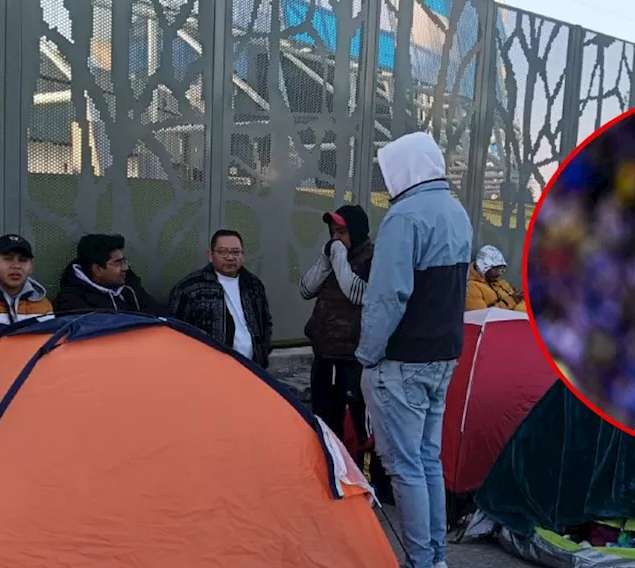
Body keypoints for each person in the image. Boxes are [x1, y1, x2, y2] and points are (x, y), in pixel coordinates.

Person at [355, 131, 472, 568]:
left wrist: (366, 354)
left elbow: (388, 296)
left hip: (401, 361)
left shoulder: (404, 218)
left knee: (404, 467)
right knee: (427, 462)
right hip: (443, 356)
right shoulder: (457, 211)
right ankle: (437, 566)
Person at [298, 205, 391, 502]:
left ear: (357, 231)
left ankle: (366, 484)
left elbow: (358, 293)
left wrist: (337, 257)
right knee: (325, 418)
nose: (336, 239)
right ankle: (329, 475)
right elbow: (305, 288)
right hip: (325, 354)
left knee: (360, 425)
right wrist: (328, 259)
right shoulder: (333, 256)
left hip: (356, 358)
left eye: (342, 232)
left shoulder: (375, 258)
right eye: (332, 233)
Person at [168, 229, 273, 368]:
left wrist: (263, 350)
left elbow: (265, 323)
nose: (230, 257)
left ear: (243, 255)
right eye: (223, 252)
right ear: (210, 255)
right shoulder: (190, 288)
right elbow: (176, 331)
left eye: (236, 252)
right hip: (210, 368)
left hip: (252, 367)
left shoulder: (253, 284)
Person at [54, 233, 166, 315]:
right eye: (118, 263)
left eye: (124, 261)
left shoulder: (130, 285)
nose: (125, 268)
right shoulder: (70, 301)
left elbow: (159, 314)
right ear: (97, 269)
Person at [465, 244, 525, 311]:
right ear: (483, 267)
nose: (500, 272)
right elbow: (481, 316)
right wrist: (512, 301)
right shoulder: (472, 288)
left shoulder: (503, 283)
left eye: (502, 268)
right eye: (495, 268)